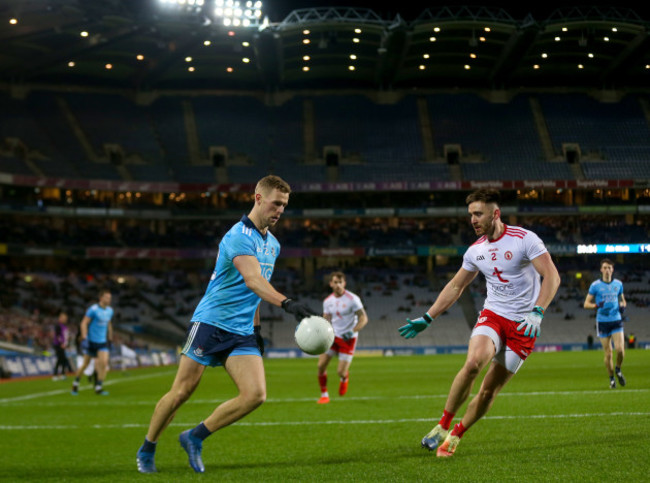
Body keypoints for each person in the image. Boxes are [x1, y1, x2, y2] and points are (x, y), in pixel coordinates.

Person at [136, 175, 317, 474]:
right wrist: (288, 303)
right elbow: (253, 280)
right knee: (182, 391)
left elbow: (254, 292)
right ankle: (148, 447)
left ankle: (194, 437)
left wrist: (257, 331)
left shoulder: (272, 244)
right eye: (276, 203)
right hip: (211, 322)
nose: (280, 210)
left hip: (242, 330)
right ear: (258, 198)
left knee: (255, 395)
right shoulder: (238, 236)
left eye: (284, 205)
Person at [398, 188, 560, 458]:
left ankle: (457, 434)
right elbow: (456, 285)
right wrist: (428, 317)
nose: (472, 219)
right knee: (473, 363)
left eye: (478, 214)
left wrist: (538, 311)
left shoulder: (525, 239)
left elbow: (552, 277)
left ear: (495, 214)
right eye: (470, 214)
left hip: (524, 324)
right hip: (494, 314)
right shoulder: (475, 251)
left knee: (488, 391)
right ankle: (443, 425)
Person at [317, 271, 369, 404]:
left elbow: (363, 318)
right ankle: (324, 395)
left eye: (340, 282)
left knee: (340, 371)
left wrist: (352, 331)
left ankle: (344, 378)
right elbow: (326, 319)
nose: (338, 285)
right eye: (335, 282)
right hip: (333, 337)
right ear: (330, 284)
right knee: (321, 365)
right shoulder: (328, 301)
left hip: (348, 338)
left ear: (344, 283)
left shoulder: (353, 299)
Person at [583, 258, 627, 389]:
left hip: (616, 320)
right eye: (605, 268)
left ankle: (618, 369)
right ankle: (612, 379)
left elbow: (623, 300)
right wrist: (596, 305)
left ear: (612, 270)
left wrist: (623, 305)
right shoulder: (595, 286)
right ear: (601, 269)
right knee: (608, 354)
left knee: (620, 350)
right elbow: (586, 304)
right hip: (602, 322)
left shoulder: (618, 284)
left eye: (609, 268)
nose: (607, 270)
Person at [71, 289, 113, 396]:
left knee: (103, 363)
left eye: (110, 298)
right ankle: (75, 383)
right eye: (107, 297)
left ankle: (98, 387)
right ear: (101, 298)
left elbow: (108, 324)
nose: (109, 299)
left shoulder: (110, 311)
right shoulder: (93, 309)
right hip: (92, 341)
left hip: (102, 342)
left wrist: (110, 336)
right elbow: (84, 323)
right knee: (85, 364)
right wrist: (84, 337)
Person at [52, 311, 73, 380]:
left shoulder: (65, 327)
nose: (65, 319)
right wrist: (61, 344)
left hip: (63, 345)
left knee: (62, 359)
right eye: (64, 318)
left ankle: (62, 374)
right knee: (61, 359)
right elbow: (58, 336)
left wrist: (67, 345)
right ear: (60, 318)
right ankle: (56, 374)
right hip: (58, 345)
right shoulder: (58, 326)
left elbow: (66, 337)